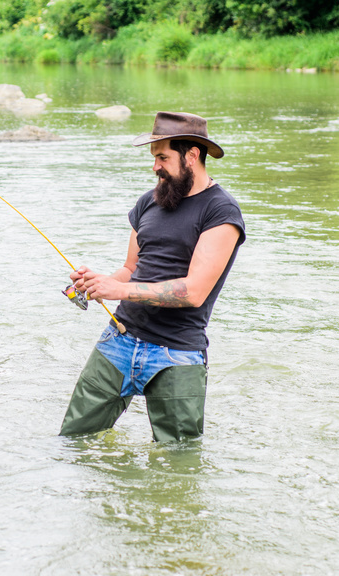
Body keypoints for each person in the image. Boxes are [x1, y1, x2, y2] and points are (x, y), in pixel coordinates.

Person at [59, 111, 246, 442]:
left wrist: (120, 291)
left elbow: (194, 292)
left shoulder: (221, 212)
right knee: (73, 442)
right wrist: (98, 283)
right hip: (118, 340)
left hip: (177, 354)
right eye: (154, 158)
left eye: (163, 157)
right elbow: (131, 269)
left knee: (178, 461)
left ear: (192, 155)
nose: (155, 166)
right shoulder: (148, 201)